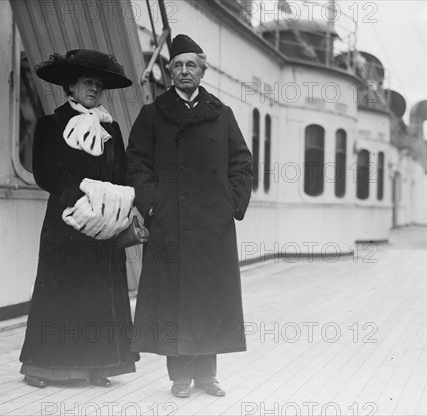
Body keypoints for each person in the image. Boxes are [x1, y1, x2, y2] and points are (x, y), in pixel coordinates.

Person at [125, 34, 253, 398]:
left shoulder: (221, 113)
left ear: (202, 71)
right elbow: (136, 163)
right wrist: (152, 204)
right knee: (174, 300)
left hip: (213, 227)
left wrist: (232, 204)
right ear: (169, 71)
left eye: (191, 65)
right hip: (170, 224)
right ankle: (180, 377)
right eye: (178, 65)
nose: (184, 71)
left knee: (210, 298)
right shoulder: (154, 114)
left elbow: (242, 163)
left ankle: (207, 375)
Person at [19, 49, 139, 388]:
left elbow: (122, 172)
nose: (95, 90)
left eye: (99, 85)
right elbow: (45, 173)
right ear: (70, 87)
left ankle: (97, 365)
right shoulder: (51, 124)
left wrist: (118, 204)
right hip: (66, 223)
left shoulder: (110, 128)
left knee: (99, 294)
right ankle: (44, 368)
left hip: (104, 225)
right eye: (88, 83)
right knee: (60, 293)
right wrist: (82, 200)